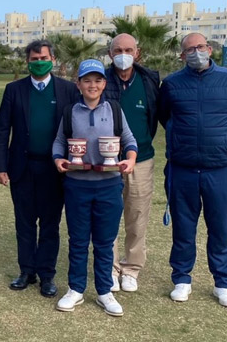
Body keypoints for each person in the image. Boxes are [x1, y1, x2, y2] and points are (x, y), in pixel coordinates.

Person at [159, 32, 227, 308]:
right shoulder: (172, 84)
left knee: (220, 228)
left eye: (199, 47)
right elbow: (165, 117)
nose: (195, 53)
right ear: (182, 55)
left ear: (209, 49)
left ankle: (223, 283)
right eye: (189, 50)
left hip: (220, 169)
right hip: (183, 168)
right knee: (183, 228)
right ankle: (182, 279)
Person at [0, 40, 79, 295]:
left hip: (55, 169)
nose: (38, 62)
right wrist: (0, 166)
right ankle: (26, 271)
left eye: (42, 57)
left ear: (52, 59)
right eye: (33, 59)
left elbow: (77, 127)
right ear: (27, 62)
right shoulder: (14, 90)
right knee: (25, 223)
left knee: (50, 225)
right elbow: (2, 131)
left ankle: (47, 275)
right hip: (22, 167)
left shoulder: (67, 90)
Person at [53, 59, 137, 317]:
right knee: (78, 241)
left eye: (97, 80)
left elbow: (129, 140)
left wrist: (130, 159)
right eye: (86, 80)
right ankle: (76, 289)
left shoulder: (114, 109)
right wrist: (59, 160)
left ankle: (104, 292)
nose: (92, 85)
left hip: (109, 185)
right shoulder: (70, 111)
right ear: (78, 84)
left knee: (104, 241)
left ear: (104, 83)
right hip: (77, 185)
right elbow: (58, 142)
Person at [104, 33, 160, 292]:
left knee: (136, 217)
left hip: (142, 160)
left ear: (137, 52)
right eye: (118, 50)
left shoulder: (149, 80)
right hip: (107, 161)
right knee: (109, 215)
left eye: (128, 49)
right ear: (110, 53)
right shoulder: (101, 80)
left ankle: (131, 269)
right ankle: (111, 268)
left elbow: (155, 119)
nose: (123, 54)